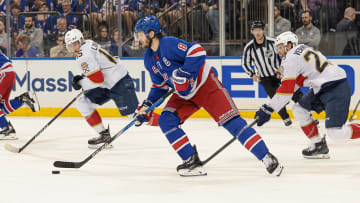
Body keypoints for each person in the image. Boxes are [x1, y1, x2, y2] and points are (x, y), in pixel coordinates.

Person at [134, 16, 284, 177]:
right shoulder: (148, 58)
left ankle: (266, 156)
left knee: (232, 123)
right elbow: (160, 86)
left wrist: (186, 73)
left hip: (206, 85)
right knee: (166, 120)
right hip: (184, 95)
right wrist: (147, 105)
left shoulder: (168, 43)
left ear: (151, 34)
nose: (138, 38)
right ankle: (191, 160)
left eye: (140, 34)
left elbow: (197, 51)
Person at [255, 31, 360, 159]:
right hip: (323, 87)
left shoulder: (291, 58)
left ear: (289, 45)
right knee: (299, 110)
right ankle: (317, 145)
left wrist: (268, 108)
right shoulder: (303, 49)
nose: (279, 52)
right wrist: (271, 106)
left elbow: (287, 91)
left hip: (335, 87)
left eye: (280, 47)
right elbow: (293, 85)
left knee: (336, 133)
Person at [64, 29, 139, 149]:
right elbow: (98, 70)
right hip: (107, 83)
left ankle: (168, 119)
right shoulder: (87, 43)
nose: (73, 47)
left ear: (80, 40)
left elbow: (98, 79)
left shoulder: (83, 56)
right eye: (70, 45)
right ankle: (104, 135)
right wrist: (83, 78)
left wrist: (81, 83)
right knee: (83, 103)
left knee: (137, 117)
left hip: (119, 82)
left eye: (75, 43)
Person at [243, 20, 304, 126]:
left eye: (260, 30)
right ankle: (286, 118)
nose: (258, 32)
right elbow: (245, 63)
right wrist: (252, 73)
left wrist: (283, 68)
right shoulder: (249, 47)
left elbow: (285, 54)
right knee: (276, 98)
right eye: (255, 30)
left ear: (263, 30)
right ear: (252, 32)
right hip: (265, 78)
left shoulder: (273, 42)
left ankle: (308, 114)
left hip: (280, 73)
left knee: (295, 92)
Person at [0, 49, 39, 139]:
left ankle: (7, 129)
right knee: (2, 107)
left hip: (4, 74)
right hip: (9, 74)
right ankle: (22, 99)